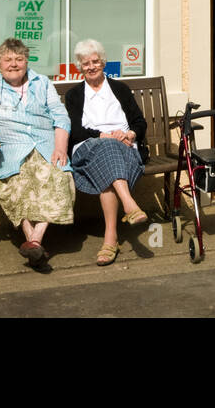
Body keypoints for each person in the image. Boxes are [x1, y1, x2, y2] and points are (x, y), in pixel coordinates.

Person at [0, 38, 74, 268]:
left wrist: (60, 147)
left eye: (19, 59)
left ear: (26, 61)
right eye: (8, 59)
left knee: (58, 176)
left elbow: (60, 117)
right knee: (18, 181)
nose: (14, 64)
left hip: (45, 147)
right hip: (10, 151)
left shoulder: (42, 82)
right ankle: (35, 241)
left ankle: (33, 241)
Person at [64, 38, 149, 265]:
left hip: (123, 148)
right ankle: (129, 203)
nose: (91, 66)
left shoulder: (119, 89)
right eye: (85, 63)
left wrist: (129, 135)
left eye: (95, 61)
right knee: (106, 146)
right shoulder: (74, 95)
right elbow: (75, 131)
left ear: (103, 63)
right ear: (79, 67)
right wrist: (102, 136)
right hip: (88, 149)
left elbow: (139, 122)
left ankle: (110, 239)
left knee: (108, 165)